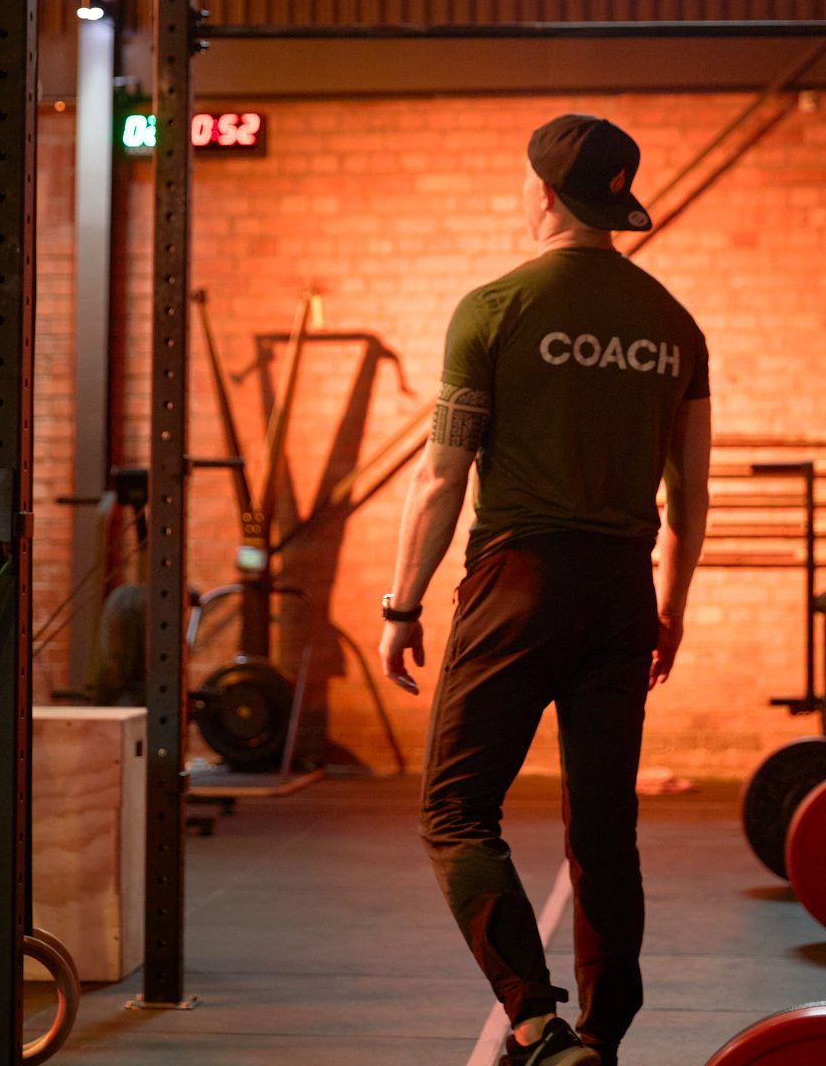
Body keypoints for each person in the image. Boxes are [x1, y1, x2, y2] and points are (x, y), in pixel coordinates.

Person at [379, 114, 711, 1066]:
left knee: (454, 810)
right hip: (621, 588)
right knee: (603, 825)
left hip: (519, 579)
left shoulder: (494, 307)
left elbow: (442, 477)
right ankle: (603, 1032)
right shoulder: (672, 323)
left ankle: (535, 1021)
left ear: (544, 193)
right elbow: (690, 492)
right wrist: (670, 607)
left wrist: (403, 604)